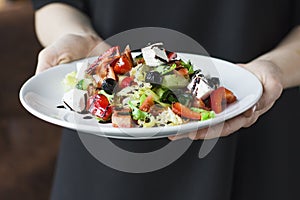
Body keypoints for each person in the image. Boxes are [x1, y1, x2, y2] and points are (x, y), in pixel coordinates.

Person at [31, 0, 300, 199]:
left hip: (259, 139)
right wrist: (80, 37)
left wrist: (273, 66)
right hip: (104, 149)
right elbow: (52, 6)